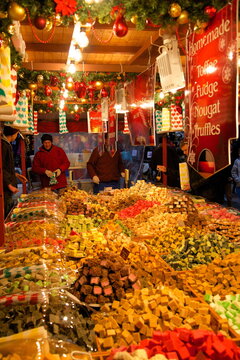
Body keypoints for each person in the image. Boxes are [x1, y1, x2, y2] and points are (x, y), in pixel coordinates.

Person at [1, 126, 27, 218]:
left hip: (6, 187)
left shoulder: (6, 144)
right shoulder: (3, 145)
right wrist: (9, 184)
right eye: (17, 134)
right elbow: (1, 167)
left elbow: (6, 167)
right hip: (4, 189)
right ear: (13, 134)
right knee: (6, 214)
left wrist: (16, 175)